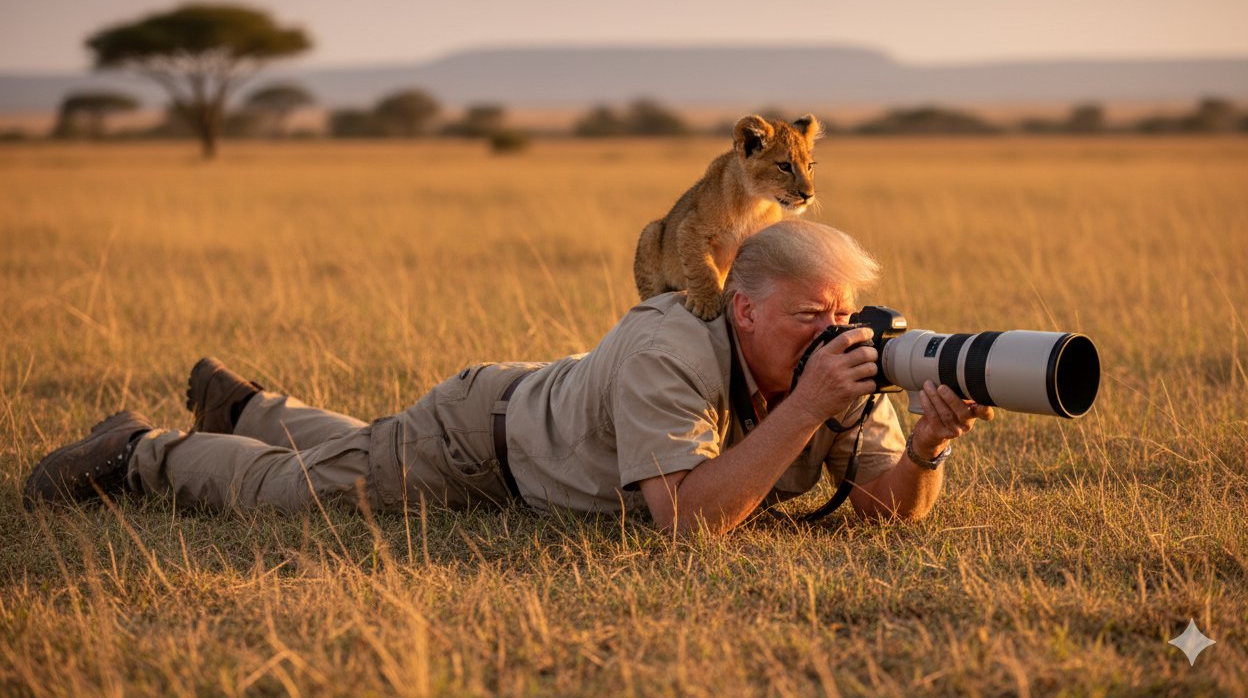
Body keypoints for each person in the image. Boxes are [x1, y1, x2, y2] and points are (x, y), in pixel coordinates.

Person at [24, 220, 992, 533]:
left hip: (539, 430)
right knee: (311, 500)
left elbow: (883, 511)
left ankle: (251, 406)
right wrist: (811, 407)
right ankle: (143, 450)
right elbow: (685, 523)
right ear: (742, 307)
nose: (835, 337)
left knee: (355, 455)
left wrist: (928, 446)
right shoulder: (672, 340)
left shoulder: (838, 370)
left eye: (841, 317)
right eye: (809, 318)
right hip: (482, 443)